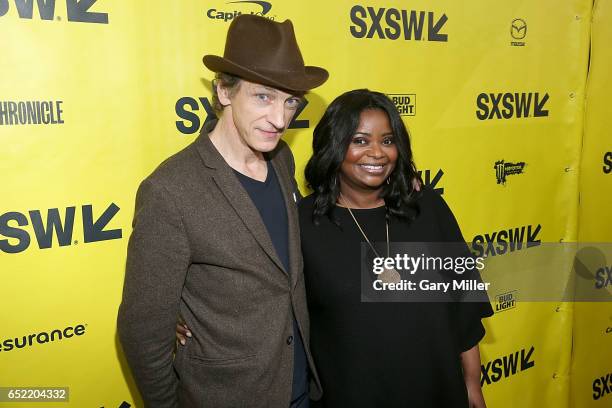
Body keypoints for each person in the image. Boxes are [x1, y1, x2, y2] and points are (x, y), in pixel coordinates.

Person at [179, 89, 492, 407]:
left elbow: (464, 308)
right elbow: (264, 293)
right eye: (359, 140)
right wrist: (186, 313)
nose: (377, 153)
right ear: (334, 146)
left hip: (437, 391)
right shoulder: (302, 225)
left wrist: (471, 385)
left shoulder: (427, 209)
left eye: (387, 140)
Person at [117, 14, 328, 408]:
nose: (281, 119)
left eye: (290, 101)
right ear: (224, 92)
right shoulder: (170, 190)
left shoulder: (281, 160)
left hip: (299, 390)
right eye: (263, 96)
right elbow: (142, 331)